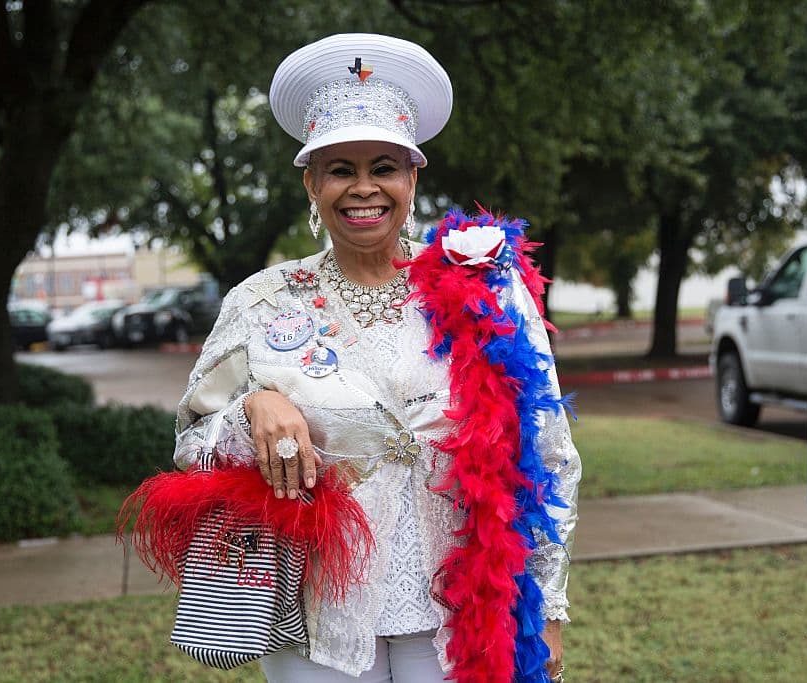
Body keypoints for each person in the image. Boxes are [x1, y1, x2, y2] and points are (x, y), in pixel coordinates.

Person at [172, 33, 581, 683]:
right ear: (311, 181)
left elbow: (547, 451)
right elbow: (192, 444)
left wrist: (549, 608)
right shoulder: (262, 298)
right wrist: (254, 408)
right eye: (340, 169)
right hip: (316, 619)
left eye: (383, 166)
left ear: (413, 176)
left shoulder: (484, 288)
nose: (364, 188)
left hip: (460, 615)